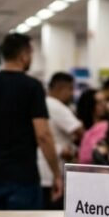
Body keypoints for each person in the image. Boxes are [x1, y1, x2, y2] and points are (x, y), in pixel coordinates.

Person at [0, 32, 62, 211]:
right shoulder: (32, 87)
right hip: (23, 176)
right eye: (31, 54)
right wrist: (56, 173)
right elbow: (43, 134)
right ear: (24, 55)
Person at [39, 73, 82, 209]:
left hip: (42, 171)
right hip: (53, 171)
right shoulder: (56, 106)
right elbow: (80, 131)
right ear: (62, 88)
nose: (72, 94)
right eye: (70, 89)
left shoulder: (42, 103)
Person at [76, 89, 108, 165]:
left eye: (105, 101)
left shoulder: (108, 126)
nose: (104, 105)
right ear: (89, 104)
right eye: (99, 102)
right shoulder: (78, 126)